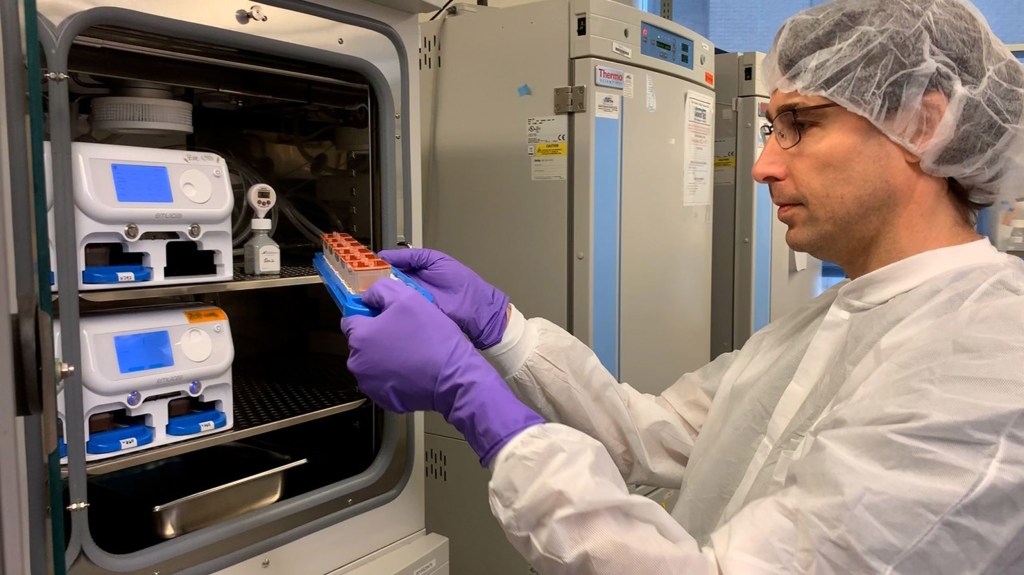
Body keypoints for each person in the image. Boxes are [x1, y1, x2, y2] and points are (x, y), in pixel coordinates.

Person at [341, 0, 1024, 572]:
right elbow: (651, 432)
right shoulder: (840, 317)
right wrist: (501, 331)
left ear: (924, 121)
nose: (760, 166)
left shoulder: (986, 366)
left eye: (801, 125)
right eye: (768, 127)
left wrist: (476, 401)